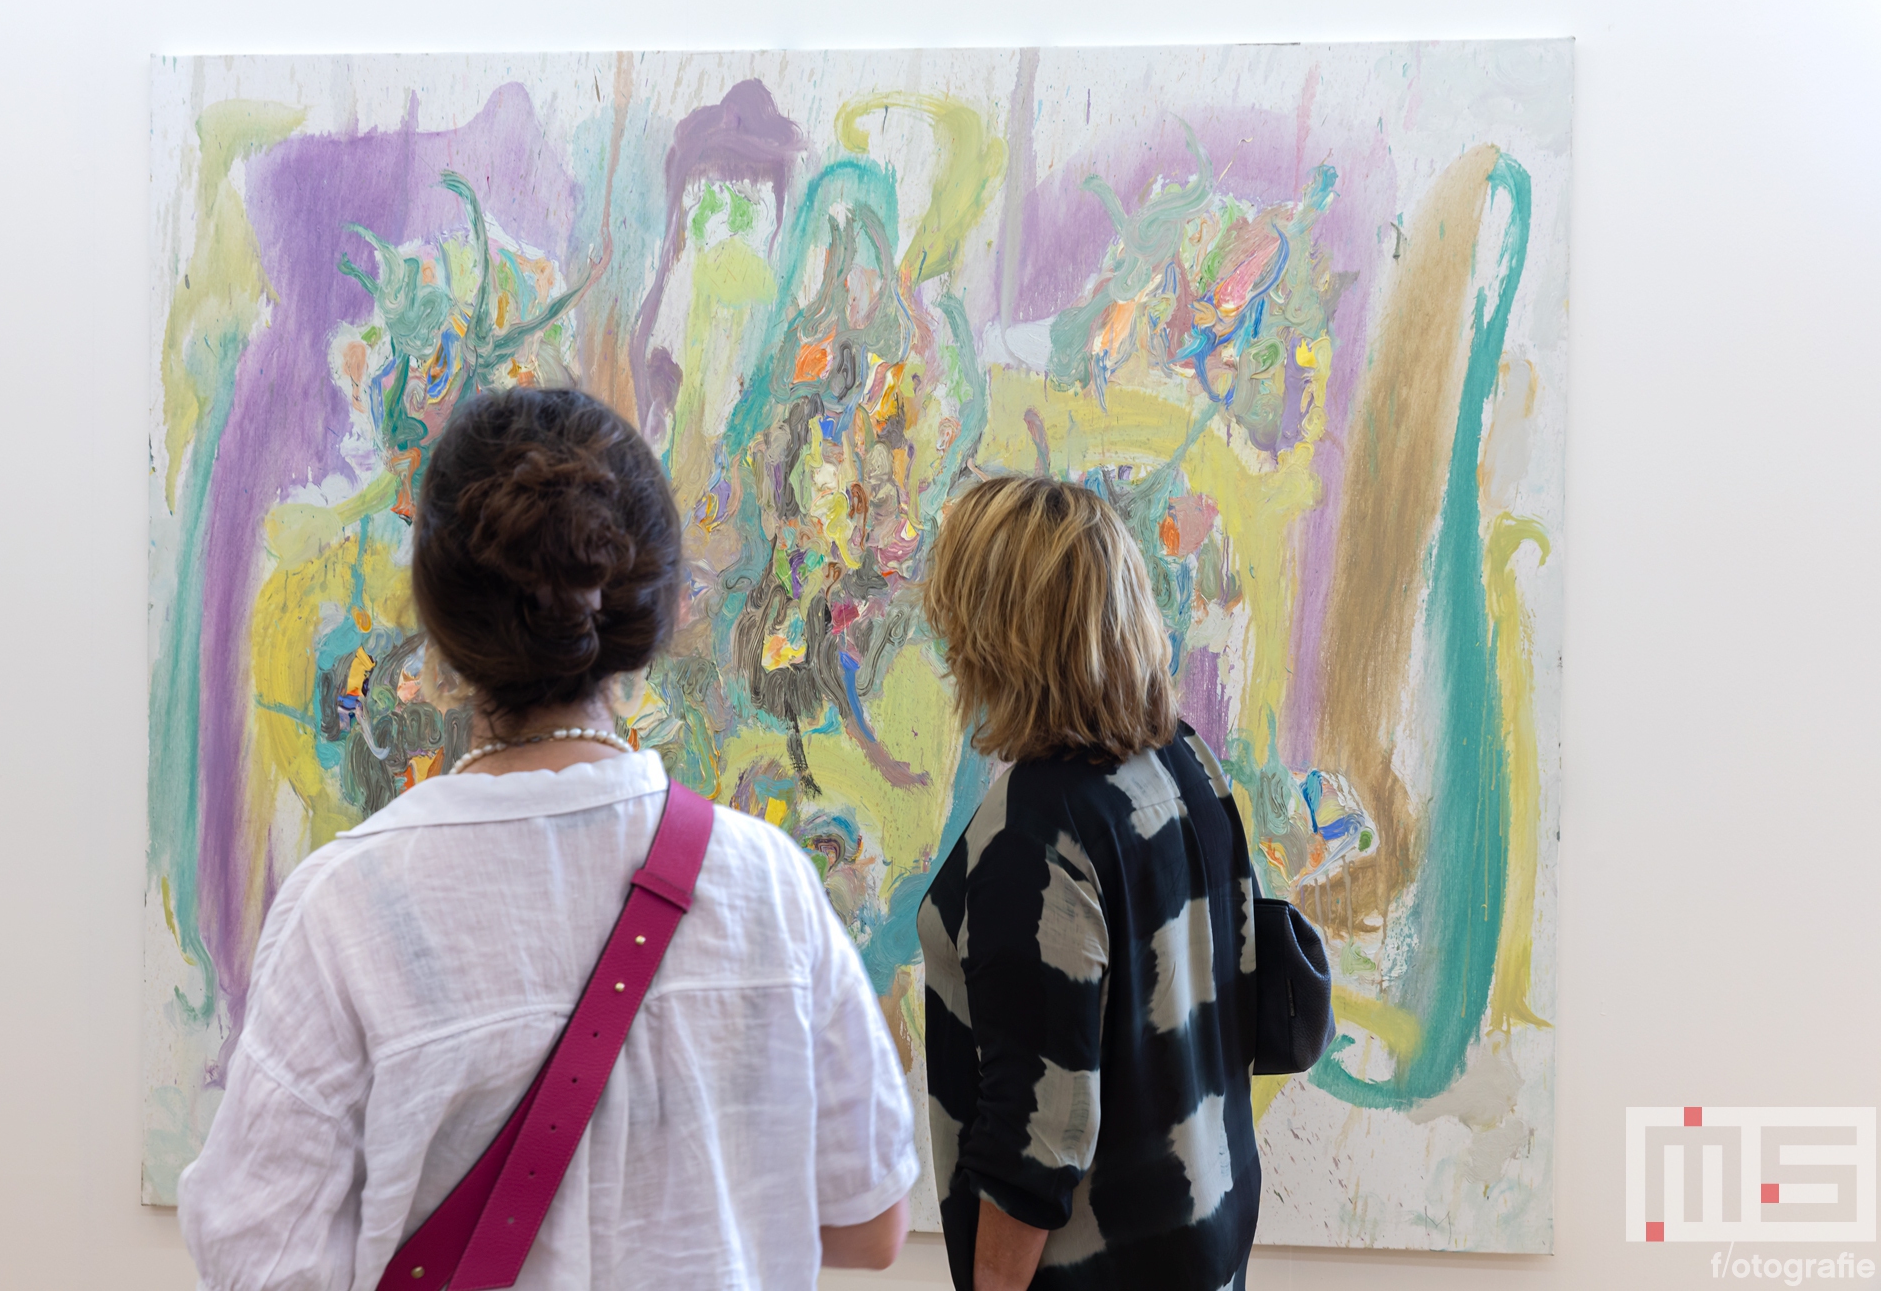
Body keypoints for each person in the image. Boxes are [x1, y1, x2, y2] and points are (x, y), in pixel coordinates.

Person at [179, 386, 917, 1289]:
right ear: (651, 606)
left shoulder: (347, 908)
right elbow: (871, 1223)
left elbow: (259, 1257)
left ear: (442, 617)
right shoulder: (769, 882)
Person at [917, 475, 1261, 1291]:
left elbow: (1035, 1139)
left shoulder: (1035, 838)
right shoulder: (1184, 761)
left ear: (998, 628)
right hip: (1207, 1245)